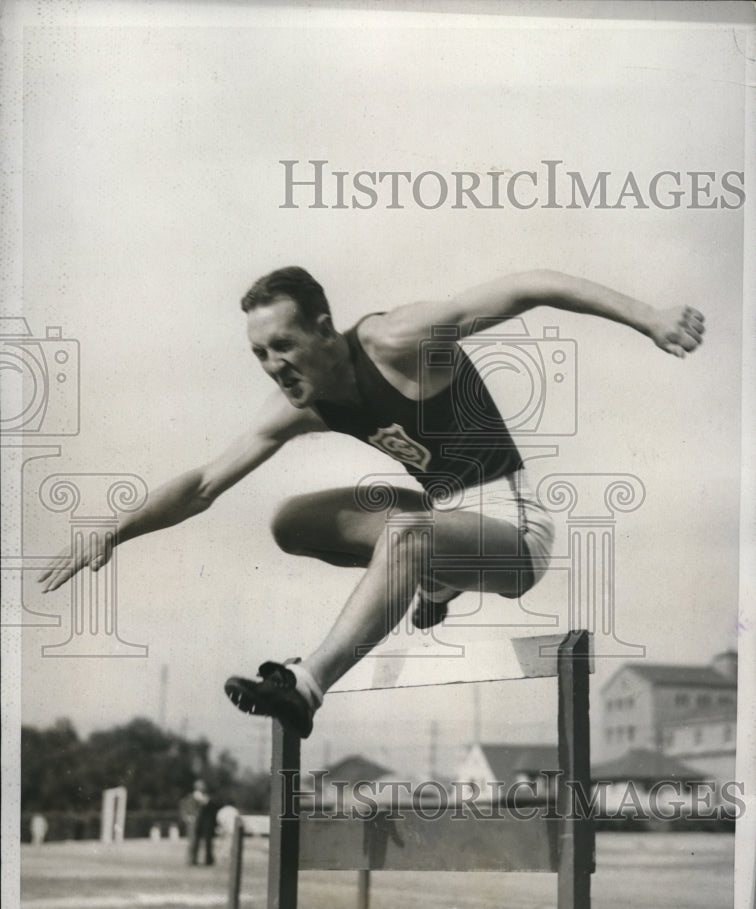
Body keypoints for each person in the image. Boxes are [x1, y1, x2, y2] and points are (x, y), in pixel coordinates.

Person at [38, 266, 705, 739]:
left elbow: (533, 285)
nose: (273, 364)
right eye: (260, 353)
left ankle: (307, 683)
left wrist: (649, 317)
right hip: (443, 513)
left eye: (284, 345)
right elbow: (207, 483)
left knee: (412, 536)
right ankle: (434, 576)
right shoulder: (304, 402)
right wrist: (116, 531)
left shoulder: (398, 340)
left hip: (517, 526)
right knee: (290, 521)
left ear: (326, 330)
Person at [179, 779, 218, 866]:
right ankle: (191, 860)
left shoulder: (206, 797)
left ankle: (207, 860)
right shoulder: (190, 797)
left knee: (206, 843)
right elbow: (184, 808)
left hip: (203, 823)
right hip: (193, 823)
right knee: (193, 842)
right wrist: (187, 817)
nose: (203, 788)